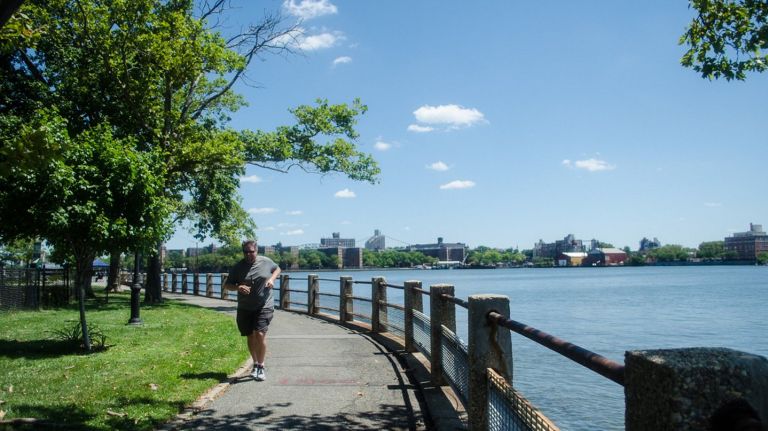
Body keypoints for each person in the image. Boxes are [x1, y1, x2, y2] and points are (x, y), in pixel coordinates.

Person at [223, 240, 281, 381]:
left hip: (264, 304)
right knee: (250, 335)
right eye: (246, 252)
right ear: (243, 252)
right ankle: (255, 364)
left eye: (251, 252)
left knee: (259, 333)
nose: (249, 254)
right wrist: (238, 287)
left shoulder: (265, 261)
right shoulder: (238, 267)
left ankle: (261, 366)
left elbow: (278, 269)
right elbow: (227, 285)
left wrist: (272, 279)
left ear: (257, 251)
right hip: (245, 307)